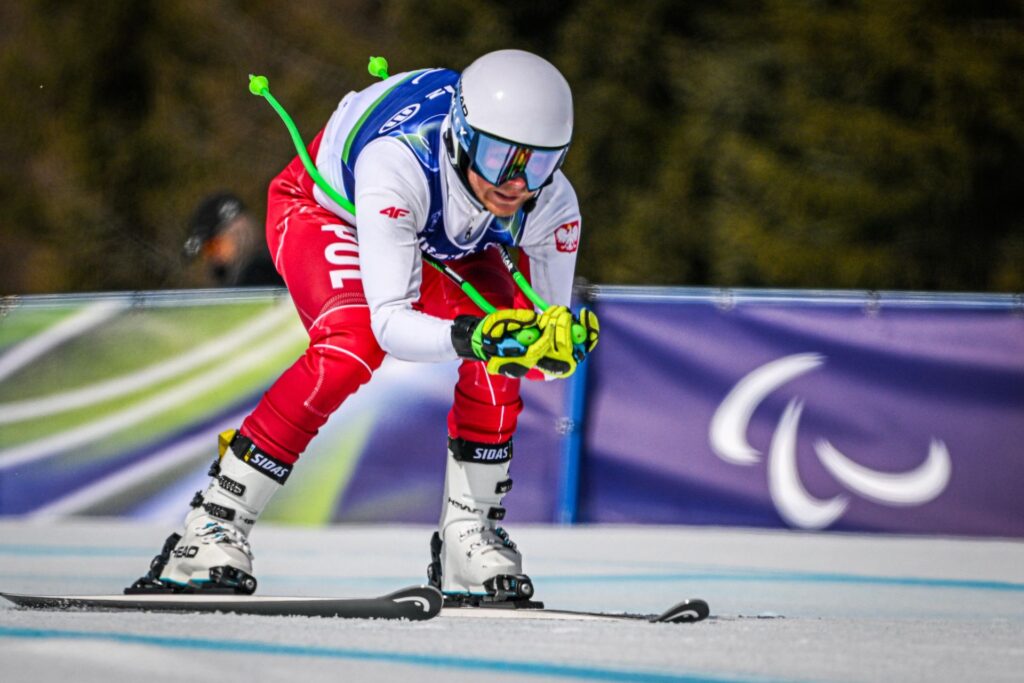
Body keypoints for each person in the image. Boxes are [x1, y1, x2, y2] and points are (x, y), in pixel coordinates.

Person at [130, 49, 599, 605]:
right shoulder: (397, 163)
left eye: (540, 164)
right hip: (328, 208)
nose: (516, 184)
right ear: (461, 134)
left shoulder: (554, 206)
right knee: (349, 346)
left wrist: (553, 345)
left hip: (436, 234)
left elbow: (540, 356)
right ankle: (210, 528)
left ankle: (468, 537)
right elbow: (388, 327)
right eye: (499, 157)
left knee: (510, 336)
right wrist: (475, 337)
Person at [182, 192, 284, 287]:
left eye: (212, 246)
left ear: (239, 235)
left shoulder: (266, 274)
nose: (212, 257)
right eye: (207, 251)